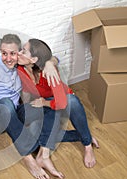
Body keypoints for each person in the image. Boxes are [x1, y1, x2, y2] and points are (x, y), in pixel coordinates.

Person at [0, 34, 66, 179]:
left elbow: (54, 56)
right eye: (4, 53)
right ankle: (28, 158)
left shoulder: (20, 65)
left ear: (19, 53)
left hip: (14, 113)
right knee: (6, 103)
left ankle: (43, 154)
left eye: (13, 53)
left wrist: (50, 63)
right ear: (0, 52)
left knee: (49, 105)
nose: (8, 58)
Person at [17, 38, 99, 168]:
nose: (19, 53)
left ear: (33, 60)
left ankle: (87, 144)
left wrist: (44, 103)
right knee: (33, 137)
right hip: (41, 104)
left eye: (24, 51)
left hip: (60, 100)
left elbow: (61, 102)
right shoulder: (20, 68)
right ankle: (81, 135)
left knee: (72, 101)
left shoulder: (48, 71)